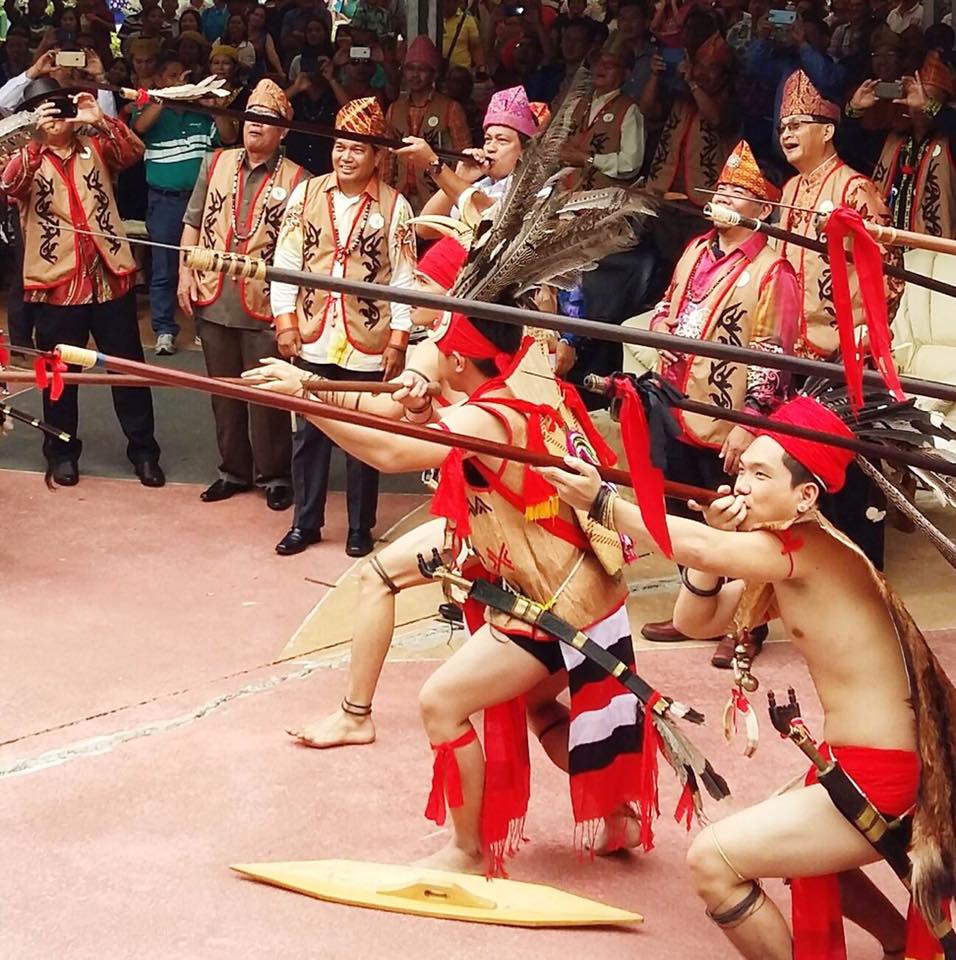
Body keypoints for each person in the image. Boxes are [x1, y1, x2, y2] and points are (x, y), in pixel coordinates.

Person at [249, 315, 684, 875]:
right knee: (539, 706)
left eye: (439, 349)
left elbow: (392, 455)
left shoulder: (487, 414)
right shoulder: (526, 368)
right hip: (580, 587)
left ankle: (467, 850)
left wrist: (305, 399)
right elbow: (430, 428)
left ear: (456, 362)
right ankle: (618, 814)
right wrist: (423, 409)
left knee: (441, 703)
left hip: (553, 603)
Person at [538, 395, 956, 960]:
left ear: (805, 496)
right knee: (790, 849)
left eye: (762, 473)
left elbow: (705, 543)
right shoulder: (788, 557)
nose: (741, 482)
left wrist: (604, 501)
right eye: (743, 468)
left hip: (879, 773)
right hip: (861, 762)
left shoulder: (808, 549)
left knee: (712, 860)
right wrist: (710, 559)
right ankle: (893, 946)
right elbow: (695, 619)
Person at [285, 236, 471, 748]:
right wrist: (310, 386)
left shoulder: (478, 361)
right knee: (379, 578)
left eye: (428, 284)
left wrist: (307, 395)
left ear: (456, 292)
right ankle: (354, 715)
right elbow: (390, 411)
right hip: (473, 510)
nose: (414, 294)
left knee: (516, 668)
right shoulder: (437, 348)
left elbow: (390, 454)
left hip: (507, 520)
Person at [638, 140, 799, 665]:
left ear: (763, 209)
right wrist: (661, 329)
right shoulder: (695, 248)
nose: (725, 197)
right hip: (680, 402)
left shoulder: (774, 270)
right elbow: (667, 304)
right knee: (690, 510)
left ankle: (746, 625)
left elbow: (773, 355)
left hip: (729, 417)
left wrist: (748, 423)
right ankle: (698, 609)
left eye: (739, 192)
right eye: (722, 188)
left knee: (745, 519)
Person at [270, 97, 416, 558]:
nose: (345, 156)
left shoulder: (397, 207)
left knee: (361, 439)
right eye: (340, 146)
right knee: (308, 435)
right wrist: (285, 320)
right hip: (314, 330)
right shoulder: (306, 194)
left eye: (357, 149)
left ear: (377, 156)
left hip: (368, 340)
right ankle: (305, 522)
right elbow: (287, 260)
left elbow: (405, 279)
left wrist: (399, 337)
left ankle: (359, 527)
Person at [0, 78, 163, 487]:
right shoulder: (22, 155)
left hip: (110, 278)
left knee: (127, 371)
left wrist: (100, 118)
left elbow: (134, 153)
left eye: (59, 106)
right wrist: (35, 138)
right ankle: (60, 452)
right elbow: (11, 185)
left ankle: (143, 451)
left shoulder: (96, 146)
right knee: (58, 375)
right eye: (44, 108)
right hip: (57, 283)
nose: (54, 115)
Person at [775, 69, 903, 569]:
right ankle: (817, 566)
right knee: (801, 463)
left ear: (827, 131)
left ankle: (866, 574)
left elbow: (890, 266)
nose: (786, 132)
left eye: (798, 123)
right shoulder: (787, 191)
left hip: (849, 347)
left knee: (856, 467)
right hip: (795, 345)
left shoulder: (855, 187)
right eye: (783, 124)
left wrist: (874, 323)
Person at [178, 79, 306, 511]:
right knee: (224, 391)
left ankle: (275, 475)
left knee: (268, 395)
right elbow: (192, 222)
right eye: (251, 114)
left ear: (283, 130)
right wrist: (184, 273)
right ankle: (232, 470)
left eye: (267, 118)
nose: (255, 124)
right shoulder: (215, 162)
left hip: (265, 302)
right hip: (215, 296)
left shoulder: (299, 180)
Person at [132, 53, 225, 356]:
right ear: (158, 80)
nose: (178, 82)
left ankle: (203, 329)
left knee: (203, 266)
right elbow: (141, 127)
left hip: (202, 204)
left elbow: (229, 135)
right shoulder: (149, 111)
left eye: (182, 77)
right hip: (165, 201)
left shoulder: (202, 114)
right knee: (164, 268)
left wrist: (214, 107)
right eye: (170, 76)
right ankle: (163, 330)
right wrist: (165, 96)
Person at [409, 85, 538, 240]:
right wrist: (460, 177)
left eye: (502, 141)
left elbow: (487, 211)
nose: (490, 148)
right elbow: (425, 229)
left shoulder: (532, 188)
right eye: (488, 140)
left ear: (525, 150)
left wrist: (434, 163)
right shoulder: (480, 186)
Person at [643, 28, 739, 209]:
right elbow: (648, 109)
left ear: (725, 75)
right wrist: (655, 75)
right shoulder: (681, 96)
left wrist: (692, 83)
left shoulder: (731, 103)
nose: (703, 73)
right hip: (663, 189)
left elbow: (716, 119)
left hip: (703, 197)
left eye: (711, 68)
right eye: (699, 66)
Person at [869, 51, 956, 239]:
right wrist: (855, 109)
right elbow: (850, 148)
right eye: (915, 97)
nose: (918, 104)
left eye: (928, 98)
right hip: (889, 241)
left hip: (935, 250)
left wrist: (929, 107)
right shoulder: (895, 137)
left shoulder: (948, 140)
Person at [382, 35, 471, 215]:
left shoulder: (450, 108)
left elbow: (463, 158)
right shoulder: (394, 109)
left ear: (434, 74)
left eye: (422, 69)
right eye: (410, 69)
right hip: (399, 198)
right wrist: (383, 193)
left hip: (438, 197)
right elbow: (387, 158)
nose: (415, 75)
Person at [559, 33, 644, 189]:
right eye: (598, 62)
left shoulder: (629, 110)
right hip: (562, 191)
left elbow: (630, 164)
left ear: (625, 74)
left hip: (599, 199)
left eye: (610, 65)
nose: (601, 68)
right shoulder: (578, 103)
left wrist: (589, 159)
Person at [441, 0, 487, 77]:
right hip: (438, 73)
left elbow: (476, 47)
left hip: (461, 75)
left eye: (450, 1)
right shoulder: (433, 20)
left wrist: (481, 67)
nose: (446, 4)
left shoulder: (467, 20)